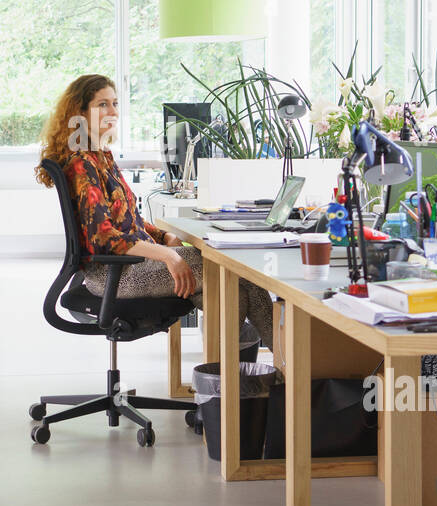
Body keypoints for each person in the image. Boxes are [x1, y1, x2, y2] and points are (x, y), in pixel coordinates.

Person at [35, 75, 273, 354]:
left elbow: (128, 221)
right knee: (229, 268)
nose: (113, 112)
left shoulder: (101, 156)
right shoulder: (82, 163)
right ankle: (280, 373)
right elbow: (105, 237)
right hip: (115, 274)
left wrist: (164, 236)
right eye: (103, 104)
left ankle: (243, 385)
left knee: (235, 291)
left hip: (131, 265)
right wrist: (168, 255)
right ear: (81, 112)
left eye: (115, 103)